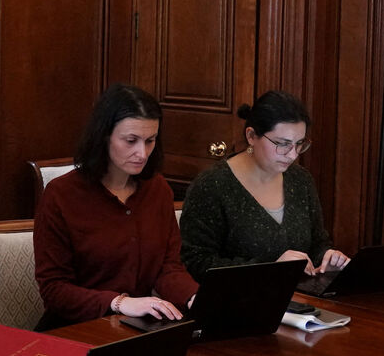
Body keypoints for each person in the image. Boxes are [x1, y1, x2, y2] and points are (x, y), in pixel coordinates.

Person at [34, 83, 199, 329]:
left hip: (135, 327)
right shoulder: (61, 195)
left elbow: (168, 268)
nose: (142, 153)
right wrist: (119, 302)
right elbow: (54, 290)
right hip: (75, 329)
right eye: (130, 140)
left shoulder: (158, 190)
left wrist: (194, 297)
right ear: (104, 136)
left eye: (150, 141)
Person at [179, 90, 349, 280]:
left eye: (299, 144)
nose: (293, 155)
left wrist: (328, 257)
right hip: (239, 300)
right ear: (251, 136)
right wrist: (270, 268)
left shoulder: (300, 180)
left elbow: (317, 243)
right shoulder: (212, 185)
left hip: (300, 300)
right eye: (282, 144)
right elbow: (196, 263)